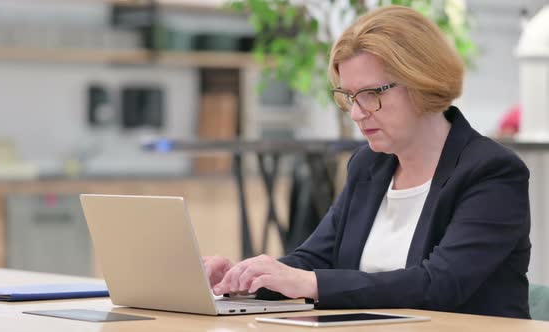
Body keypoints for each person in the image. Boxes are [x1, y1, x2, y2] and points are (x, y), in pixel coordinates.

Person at [205, 5, 531, 319]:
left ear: (421, 81)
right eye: (349, 97)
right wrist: (243, 279)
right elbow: (315, 259)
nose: (358, 113)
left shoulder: (492, 172)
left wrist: (309, 283)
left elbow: (440, 284)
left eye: (371, 94)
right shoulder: (369, 165)